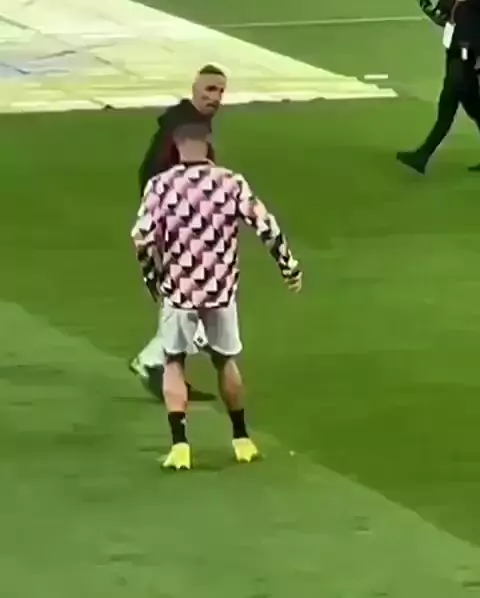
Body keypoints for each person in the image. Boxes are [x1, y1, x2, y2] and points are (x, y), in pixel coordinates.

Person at [131, 122, 302, 470]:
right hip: (220, 290)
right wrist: (289, 266)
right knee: (225, 361)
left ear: (176, 147)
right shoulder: (230, 183)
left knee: (174, 361)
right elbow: (266, 226)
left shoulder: (161, 185)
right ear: (208, 145)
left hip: (179, 291)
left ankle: (181, 447)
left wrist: (152, 279)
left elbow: (142, 238)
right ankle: (241, 439)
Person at [130, 64, 227, 382]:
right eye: (210, 89)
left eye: (221, 91)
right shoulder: (183, 127)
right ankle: (153, 360)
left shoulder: (188, 122)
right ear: (194, 89)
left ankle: (161, 367)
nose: (215, 97)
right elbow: (154, 173)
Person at [397, 0, 480, 174]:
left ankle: (422, 156)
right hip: (456, 60)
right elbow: (443, 19)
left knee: (447, 110)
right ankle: (422, 157)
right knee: (468, 110)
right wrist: (427, 7)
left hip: (465, 63)